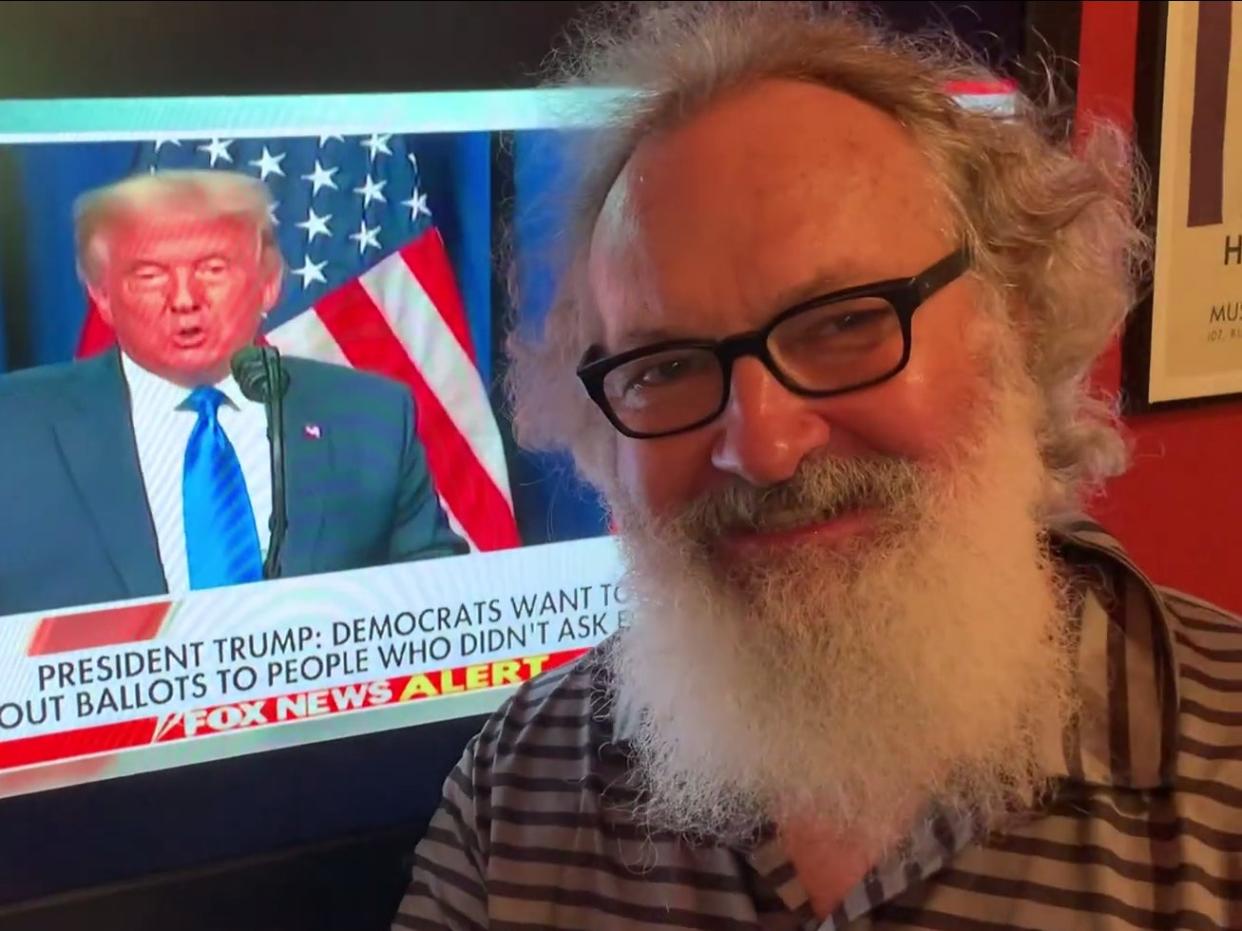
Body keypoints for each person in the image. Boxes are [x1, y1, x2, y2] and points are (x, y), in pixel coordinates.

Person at [393, 3, 1242, 929]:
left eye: (844, 322)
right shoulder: (515, 793)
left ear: (1012, 323)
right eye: (667, 365)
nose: (761, 445)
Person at [0, 170, 466, 619]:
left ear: (269, 284)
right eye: (149, 274)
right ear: (101, 295)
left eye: (213, 268)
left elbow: (432, 598)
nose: (184, 298)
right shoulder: (15, 428)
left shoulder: (371, 417)